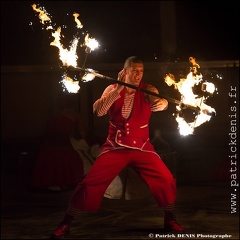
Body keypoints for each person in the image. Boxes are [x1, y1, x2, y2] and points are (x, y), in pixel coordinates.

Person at [51, 56, 184, 238]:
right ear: (125, 71)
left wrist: (163, 103)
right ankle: (65, 223)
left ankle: (170, 219)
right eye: (134, 70)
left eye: (141, 70)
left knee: (166, 179)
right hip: (115, 147)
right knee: (89, 183)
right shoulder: (112, 88)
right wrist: (120, 88)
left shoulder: (147, 89)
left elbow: (159, 101)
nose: (138, 74)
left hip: (142, 148)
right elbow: (99, 111)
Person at [31, 92, 86, 191]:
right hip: (58, 143)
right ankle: (59, 182)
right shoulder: (72, 115)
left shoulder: (57, 115)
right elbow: (82, 134)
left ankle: (54, 183)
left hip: (52, 143)